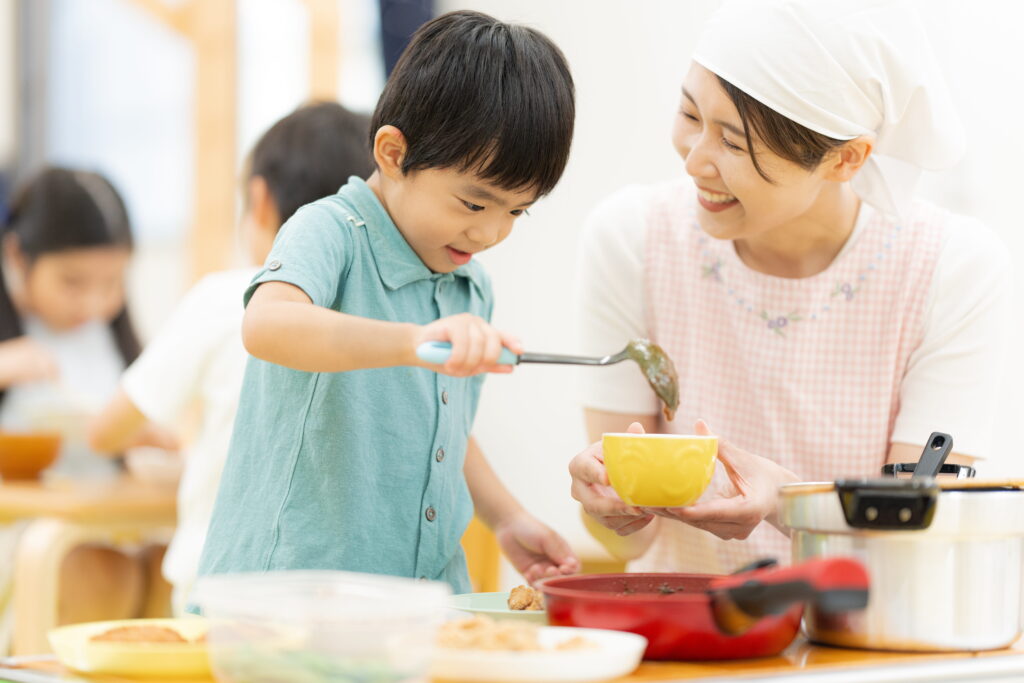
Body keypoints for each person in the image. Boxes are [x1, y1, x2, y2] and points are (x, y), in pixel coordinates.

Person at [569, 0, 1010, 574]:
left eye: (734, 143)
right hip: (684, 643)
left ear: (845, 159)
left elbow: (918, 538)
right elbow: (631, 543)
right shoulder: (632, 237)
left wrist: (786, 502)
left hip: (858, 649)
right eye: (690, 114)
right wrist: (608, 508)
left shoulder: (951, 268)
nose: (695, 161)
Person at [196, 10, 579, 594]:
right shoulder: (331, 230)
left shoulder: (469, 286)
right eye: (475, 205)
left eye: (516, 211)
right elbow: (268, 325)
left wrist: (507, 517)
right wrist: (410, 343)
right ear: (394, 153)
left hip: (418, 605)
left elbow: (445, 426)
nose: (491, 234)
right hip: (288, 601)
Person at [88, 102, 375, 614]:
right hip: (349, 592)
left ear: (260, 201)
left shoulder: (227, 296)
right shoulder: (378, 320)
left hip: (221, 585)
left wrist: (149, 439)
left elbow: (105, 430)